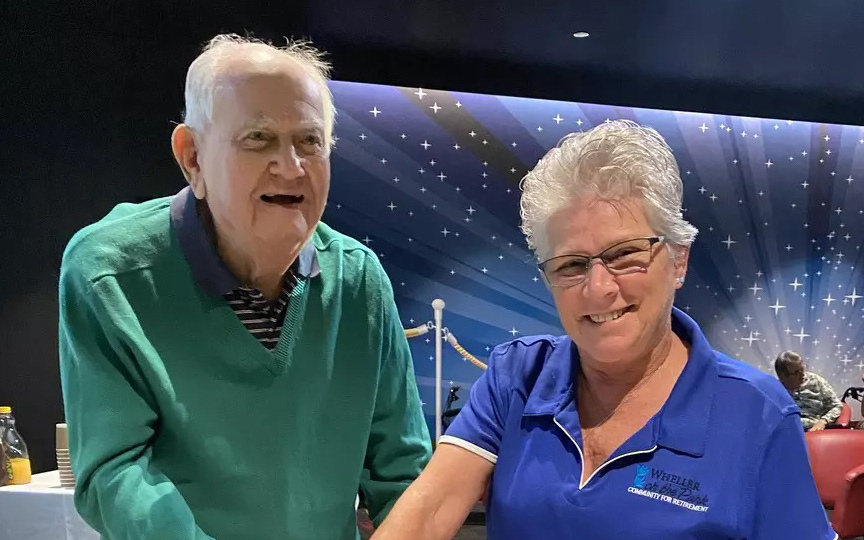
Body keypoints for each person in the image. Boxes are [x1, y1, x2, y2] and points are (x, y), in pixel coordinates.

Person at [372, 120, 834, 540]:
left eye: (625, 255)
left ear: (678, 259)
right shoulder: (516, 376)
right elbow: (428, 514)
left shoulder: (760, 416)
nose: (598, 289)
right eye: (572, 264)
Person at [58, 34, 431, 540]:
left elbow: (402, 470)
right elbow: (116, 472)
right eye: (258, 138)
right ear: (192, 157)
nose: (291, 166)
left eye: (310, 140)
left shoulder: (359, 279)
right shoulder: (109, 273)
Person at [774, 351, 842, 431]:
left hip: (815, 430)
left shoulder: (816, 381)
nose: (802, 374)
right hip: (788, 432)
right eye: (796, 372)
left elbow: (837, 405)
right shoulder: (775, 390)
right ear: (783, 376)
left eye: (802, 369)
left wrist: (823, 421)